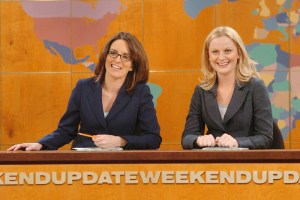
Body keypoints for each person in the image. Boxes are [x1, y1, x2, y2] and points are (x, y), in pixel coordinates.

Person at [8, 32, 162, 151]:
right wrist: (40, 144)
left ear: (133, 65)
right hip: (83, 165)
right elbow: (66, 130)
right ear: (105, 56)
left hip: (122, 168)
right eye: (113, 53)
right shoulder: (83, 87)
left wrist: (120, 141)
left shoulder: (141, 92)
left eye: (125, 57)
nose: (117, 60)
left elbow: (153, 138)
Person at [181, 26, 273, 149]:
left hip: (247, 163)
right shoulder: (201, 91)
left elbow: (265, 137)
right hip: (212, 163)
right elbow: (187, 137)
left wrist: (237, 142)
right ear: (208, 56)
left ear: (238, 53)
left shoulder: (255, 87)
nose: (221, 57)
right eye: (215, 52)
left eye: (228, 51)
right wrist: (198, 139)